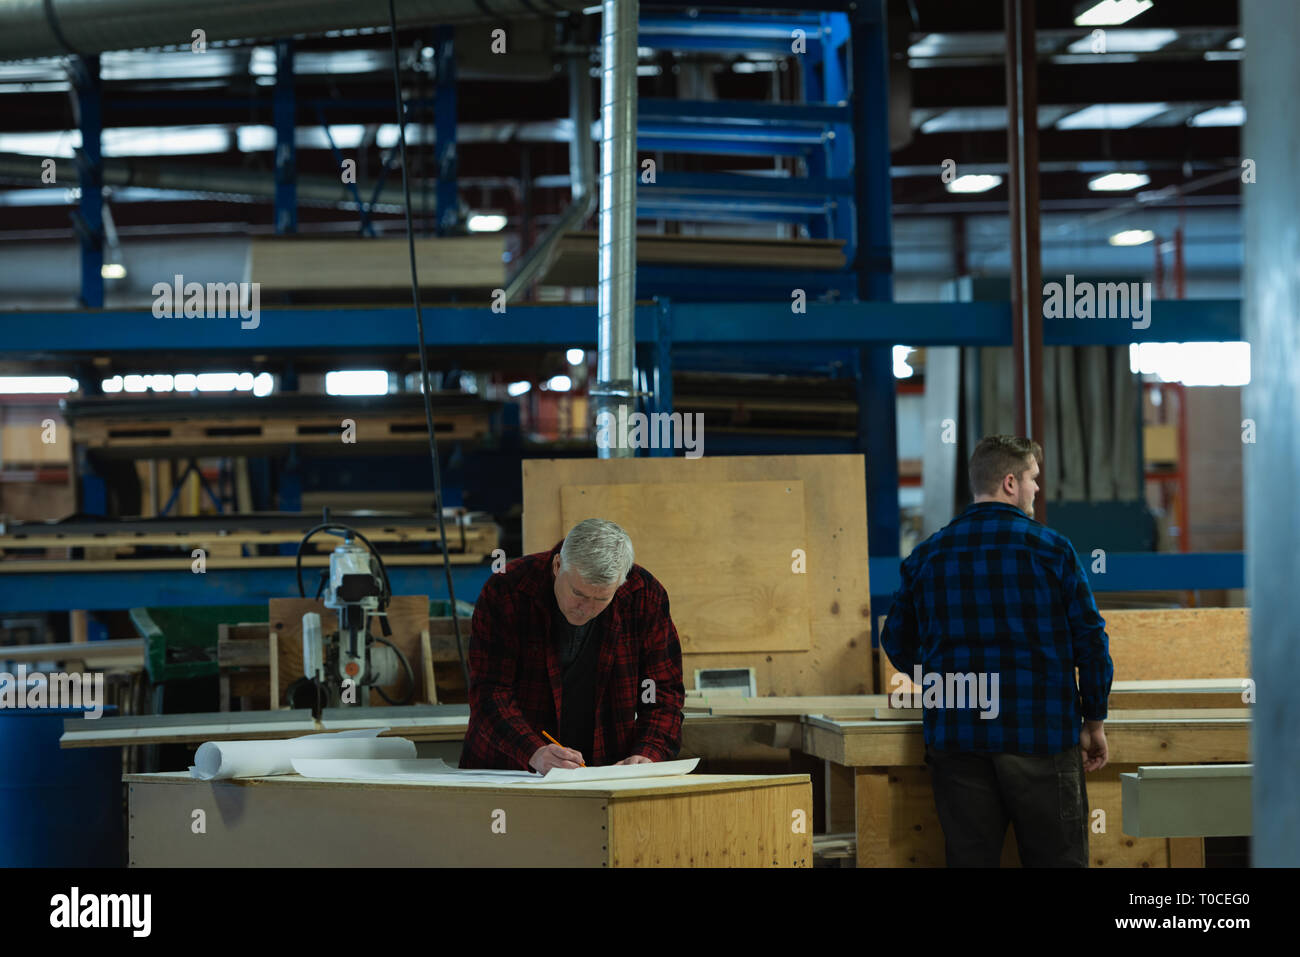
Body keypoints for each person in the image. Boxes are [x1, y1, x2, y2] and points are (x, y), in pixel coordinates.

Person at [881, 434, 1113, 867]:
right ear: (1010, 483)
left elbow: (895, 639)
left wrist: (942, 682)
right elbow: (1090, 639)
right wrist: (1094, 718)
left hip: (957, 737)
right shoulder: (1053, 550)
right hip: (1040, 737)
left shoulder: (927, 555)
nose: (1036, 490)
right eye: (1032, 480)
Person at [460, 517, 684, 772]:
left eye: (601, 598)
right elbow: (490, 692)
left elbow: (662, 692)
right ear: (557, 565)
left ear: (621, 584)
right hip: (511, 768)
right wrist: (533, 751)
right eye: (578, 593)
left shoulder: (645, 596)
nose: (586, 609)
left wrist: (648, 752)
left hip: (605, 770)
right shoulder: (508, 591)